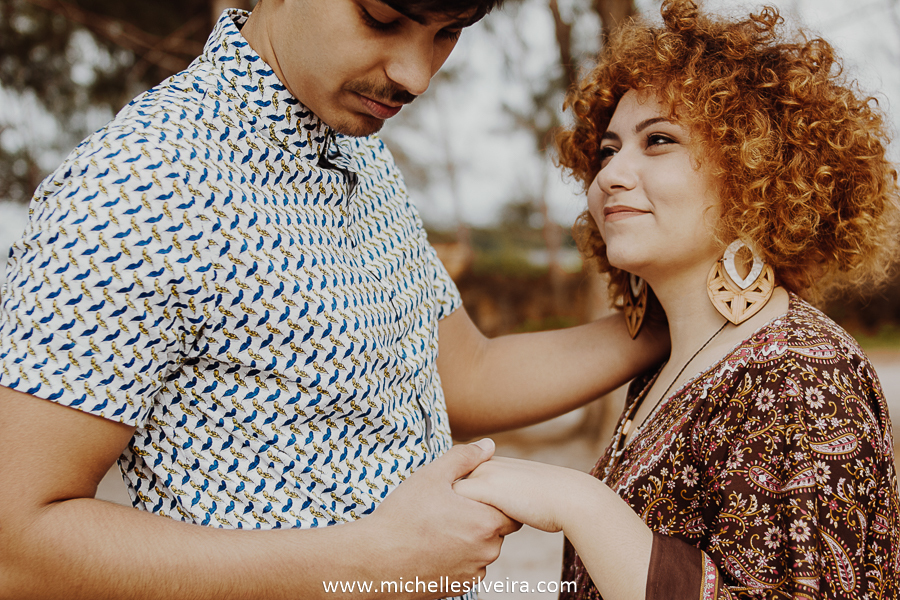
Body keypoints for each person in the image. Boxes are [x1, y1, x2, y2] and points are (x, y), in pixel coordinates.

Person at [0, 1, 667, 599]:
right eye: (381, 18)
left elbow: (465, 375)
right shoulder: (138, 184)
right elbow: (15, 547)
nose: (416, 75)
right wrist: (367, 563)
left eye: (447, 34)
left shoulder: (359, 154)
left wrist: (681, 316)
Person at [453, 1, 900, 598]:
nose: (610, 176)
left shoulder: (801, 375)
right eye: (607, 151)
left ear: (754, 171)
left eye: (658, 140)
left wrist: (577, 502)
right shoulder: (673, 363)